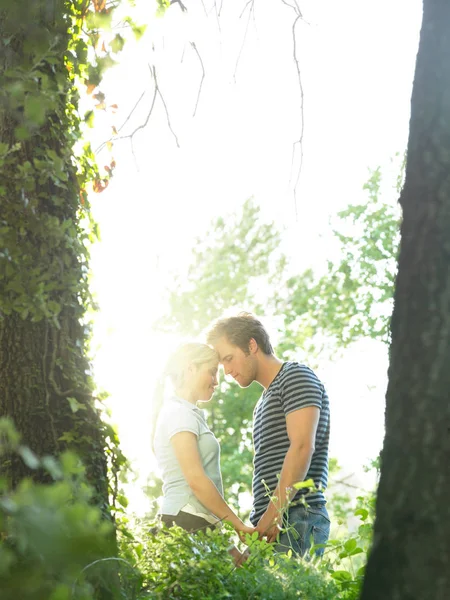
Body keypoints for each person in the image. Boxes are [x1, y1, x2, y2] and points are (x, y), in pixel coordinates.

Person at [206, 313, 331, 557]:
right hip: (271, 522)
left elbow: (302, 447)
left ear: (251, 345)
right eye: (223, 364)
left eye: (229, 359)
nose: (228, 371)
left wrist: (274, 514)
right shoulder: (262, 402)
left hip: (296, 516)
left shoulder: (295, 376)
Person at [151, 342, 254, 563]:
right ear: (190, 369)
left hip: (196, 522)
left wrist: (230, 548)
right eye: (212, 372)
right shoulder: (179, 413)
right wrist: (239, 526)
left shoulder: (188, 413)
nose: (216, 381)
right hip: (182, 521)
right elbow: (196, 481)